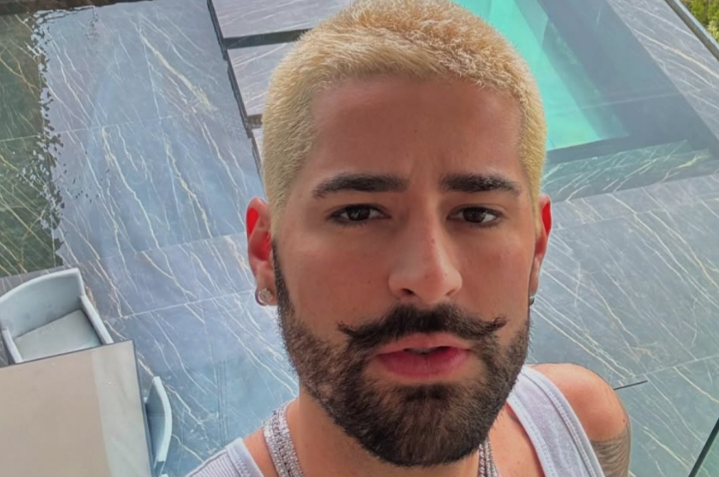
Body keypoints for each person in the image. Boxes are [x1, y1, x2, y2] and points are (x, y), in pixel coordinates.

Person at [188, 0, 630, 476]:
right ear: (265, 252)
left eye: (477, 214)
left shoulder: (580, 424)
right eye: (358, 213)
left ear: (537, 248)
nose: (432, 279)